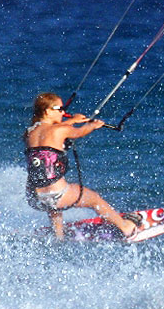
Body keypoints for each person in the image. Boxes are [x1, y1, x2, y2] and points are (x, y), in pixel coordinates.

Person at [24, 92, 141, 242]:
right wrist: (92, 125)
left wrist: (72, 120)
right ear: (47, 111)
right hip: (57, 195)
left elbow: (50, 131)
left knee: (53, 205)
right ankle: (127, 228)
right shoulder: (60, 130)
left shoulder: (29, 132)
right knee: (94, 198)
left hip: (34, 197)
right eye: (59, 109)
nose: (63, 112)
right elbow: (78, 132)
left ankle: (58, 237)